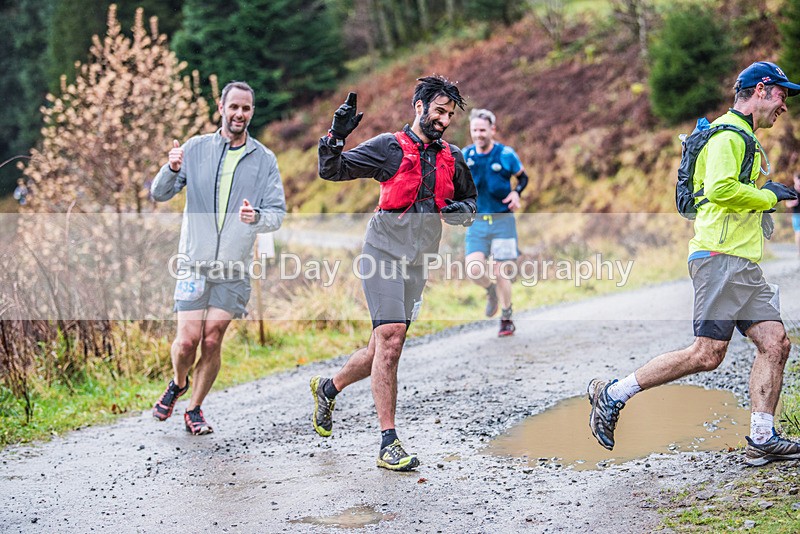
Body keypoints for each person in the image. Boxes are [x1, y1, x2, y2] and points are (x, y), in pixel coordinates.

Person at [587, 62, 800, 466]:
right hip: (719, 259)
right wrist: (769, 196)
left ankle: (762, 436)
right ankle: (613, 393)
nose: (784, 108)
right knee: (707, 354)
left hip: (741, 263)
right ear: (762, 90)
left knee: (776, 343)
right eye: (782, 96)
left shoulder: (744, 137)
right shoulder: (729, 135)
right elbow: (720, 190)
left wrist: (764, 195)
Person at [309, 76, 477, 471]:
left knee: (379, 349)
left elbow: (470, 200)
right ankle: (389, 442)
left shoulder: (453, 156)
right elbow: (332, 170)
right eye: (439, 111)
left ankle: (328, 388)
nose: (444, 120)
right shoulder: (389, 147)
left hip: (418, 263)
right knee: (391, 338)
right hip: (381, 253)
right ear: (418, 108)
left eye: (450, 114)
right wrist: (336, 134)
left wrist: (463, 213)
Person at [150, 81, 286, 435]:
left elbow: (277, 214)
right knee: (186, 342)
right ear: (221, 108)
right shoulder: (195, 149)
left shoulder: (264, 160)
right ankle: (179, 382)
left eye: (246, 108)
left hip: (234, 268)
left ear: (252, 112)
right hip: (194, 262)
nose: (239, 114)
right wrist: (172, 168)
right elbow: (159, 193)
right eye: (234, 107)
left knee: (212, 339)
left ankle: (194, 409)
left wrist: (255, 217)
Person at [462, 109, 528, 336]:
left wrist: (516, 193)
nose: (478, 134)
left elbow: (523, 177)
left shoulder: (506, 154)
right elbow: (455, 185)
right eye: (474, 130)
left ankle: (506, 316)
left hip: (502, 221)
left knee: (502, 271)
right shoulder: (465, 156)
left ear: (492, 130)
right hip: (477, 223)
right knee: (474, 269)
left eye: (482, 130)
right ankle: (490, 291)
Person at [785, 174, 800, 256]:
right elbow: (787, 204)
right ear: (795, 180)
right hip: (796, 215)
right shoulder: (791, 190)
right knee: (798, 233)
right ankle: (798, 251)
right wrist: (792, 203)